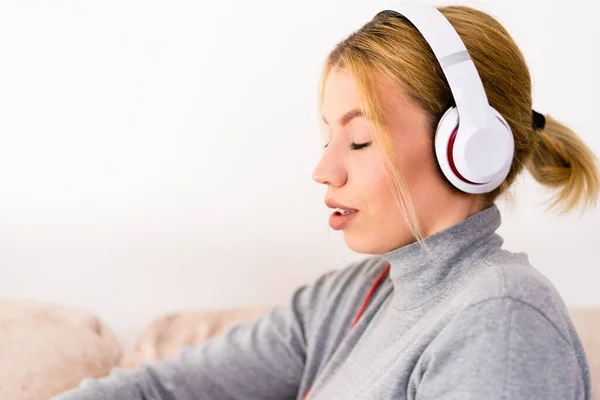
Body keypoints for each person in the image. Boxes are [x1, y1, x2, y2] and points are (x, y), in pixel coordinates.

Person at [54, 3, 598, 400]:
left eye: (359, 141)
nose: (323, 170)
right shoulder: (345, 301)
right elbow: (163, 389)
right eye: (327, 139)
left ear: (468, 147)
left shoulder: (500, 315)